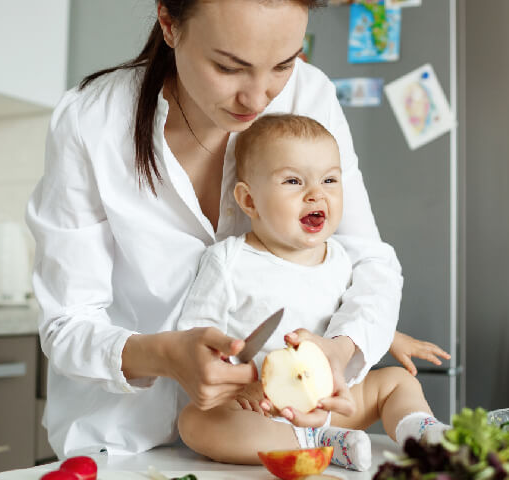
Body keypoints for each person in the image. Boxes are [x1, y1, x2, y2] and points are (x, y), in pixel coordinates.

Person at [27, 0, 408, 459]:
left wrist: (342, 349)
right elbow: (67, 324)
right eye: (229, 67)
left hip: (273, 434)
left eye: (283, 64)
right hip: (119, 443)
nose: (259, 97)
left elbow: (368, 260)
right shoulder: (93, 120)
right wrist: (165, 355)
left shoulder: (310, 95)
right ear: (169, 23)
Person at [176, 114, 451, 471]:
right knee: (195, 423)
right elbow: (197, 336)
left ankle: (423, 433)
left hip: (334, 403)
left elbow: (341, 312)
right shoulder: (228, 260)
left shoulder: (339, 258)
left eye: (329, 180)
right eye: (293, 181)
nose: (316, 193)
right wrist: (236, 385)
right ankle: (320, 444)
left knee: (396, 381)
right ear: (249, 200)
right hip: (264, 409)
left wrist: (389, 337)